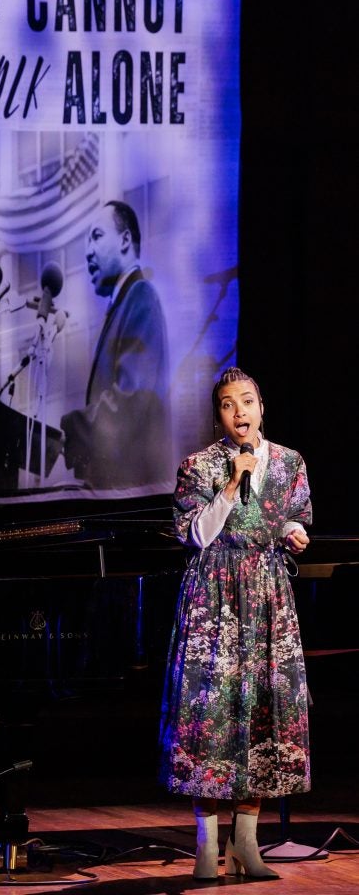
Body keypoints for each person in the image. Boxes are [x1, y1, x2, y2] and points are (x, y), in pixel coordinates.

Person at [158, 366, 312, 881]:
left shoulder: (290, 462)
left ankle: (246, 842)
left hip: (269, 596)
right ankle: (206, 845)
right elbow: (196, 535)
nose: (239, 411)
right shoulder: (199, 466)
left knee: (264, 713)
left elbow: (289, 515)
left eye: (247, 401)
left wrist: (292, 532)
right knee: (212, 716)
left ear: (262, 406)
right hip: (214, 601)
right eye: (228, 404)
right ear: (218, 414)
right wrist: (231, 482)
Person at [59, 199, 171, 490]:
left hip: (128, 493)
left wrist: (76, 430)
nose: (87, 252)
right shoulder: (124, 302)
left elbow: (132, 397)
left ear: (124, 240)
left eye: (96, 236)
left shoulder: (141, 295)